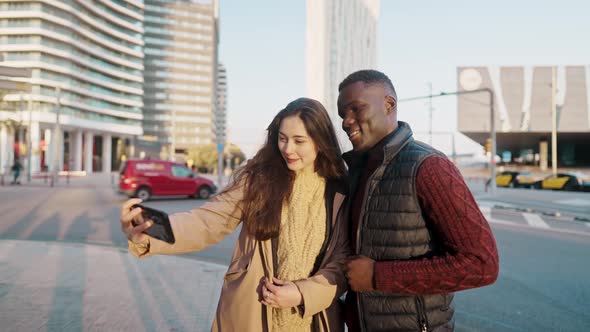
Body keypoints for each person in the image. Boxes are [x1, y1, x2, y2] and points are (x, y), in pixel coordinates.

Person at [120, 98, 350, 331]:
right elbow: (208, 221)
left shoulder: (340, 190)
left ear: (320, 142)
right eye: (282, 138)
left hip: (316, 321)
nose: (288, 149)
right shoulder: (259, 179)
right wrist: (152, 231)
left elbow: (341, 264)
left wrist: (302, 294)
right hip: (252, 313)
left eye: (299, 141)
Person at [337, 70, 499, 332]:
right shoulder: (355, 171)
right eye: (342, 114)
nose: (346, 121)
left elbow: (482, 264)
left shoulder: (428, 166)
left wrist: (378, 276)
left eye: (356, 109)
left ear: (389, 105)